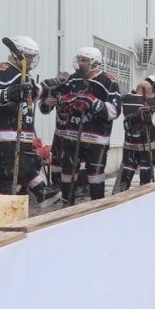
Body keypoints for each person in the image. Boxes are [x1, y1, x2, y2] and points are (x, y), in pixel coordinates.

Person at [0, 35, 61, 206]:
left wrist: (47, 86)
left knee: (25, 169)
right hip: (5, 136)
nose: (32, 60)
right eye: (29, 55)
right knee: (7, 179)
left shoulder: (24, 74)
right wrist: (9, 94)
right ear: (18, 54)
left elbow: (32, 93)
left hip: (21, 136)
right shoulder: (1, 70)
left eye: (33, 56)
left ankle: (40, 192)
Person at [57, 47, 120, 202]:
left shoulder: (109, 81)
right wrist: (71, 101)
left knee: (95, 172)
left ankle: (97, 205)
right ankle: (67, 202)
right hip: (71, 135)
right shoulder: (73, 79)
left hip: (97, 138)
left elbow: (114, 111)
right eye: (79, 59)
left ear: (94, 63)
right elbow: (60, 101)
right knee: (67, 171)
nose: (80, 63)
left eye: (84, 60)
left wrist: (93, 103)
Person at [117, 80, 155, 191]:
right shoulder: (154, 101)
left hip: (129, 144)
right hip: (147, 144)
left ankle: (122, 193)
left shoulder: (126, 99)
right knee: (146, 171)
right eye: (151, 91)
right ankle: (143, 194)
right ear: (147, 91)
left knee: (127, 169)